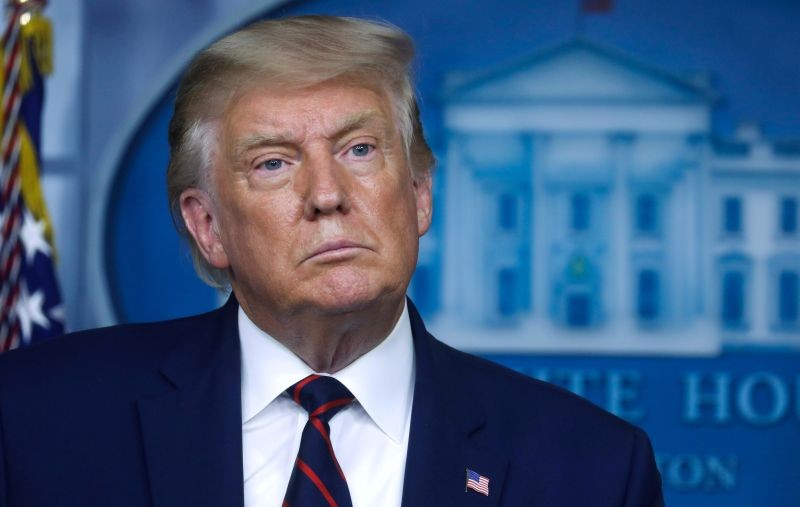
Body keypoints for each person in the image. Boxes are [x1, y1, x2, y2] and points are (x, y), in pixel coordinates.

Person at [0, 15, 664, 507]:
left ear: (417, 195)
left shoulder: (595, 471)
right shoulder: (36, 419)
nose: (327, 195)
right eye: (273, 162)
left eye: (359, 150)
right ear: (207, 227)